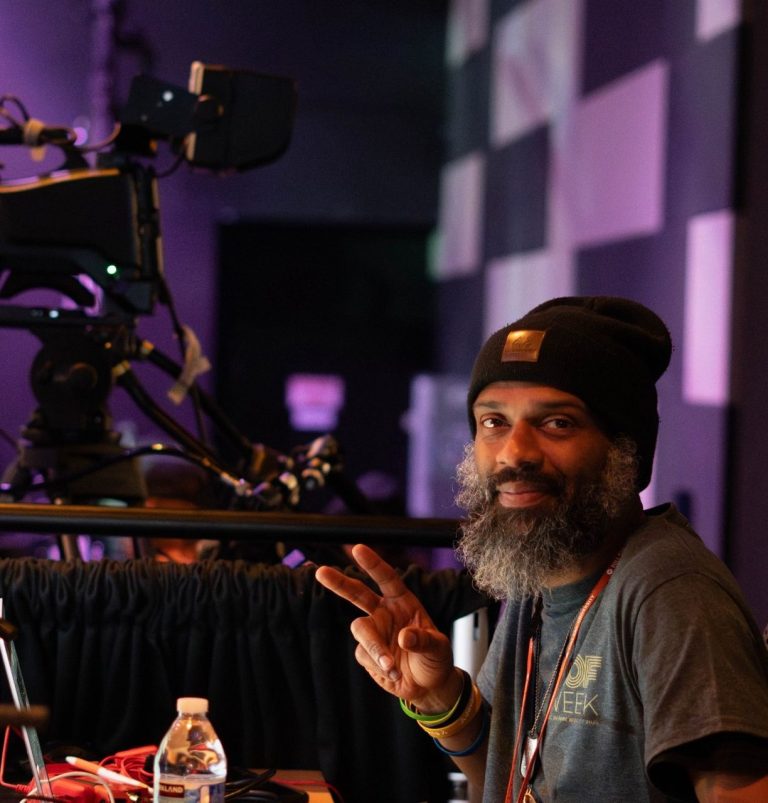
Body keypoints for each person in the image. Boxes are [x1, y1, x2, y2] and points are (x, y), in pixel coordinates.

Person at [315, 296, 768, 802]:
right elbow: (510, 775)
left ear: (626, 450)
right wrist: (439, 696)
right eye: (494, 422)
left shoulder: (670, 592)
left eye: (557, 423)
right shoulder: (543, 569)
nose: (514, 453)